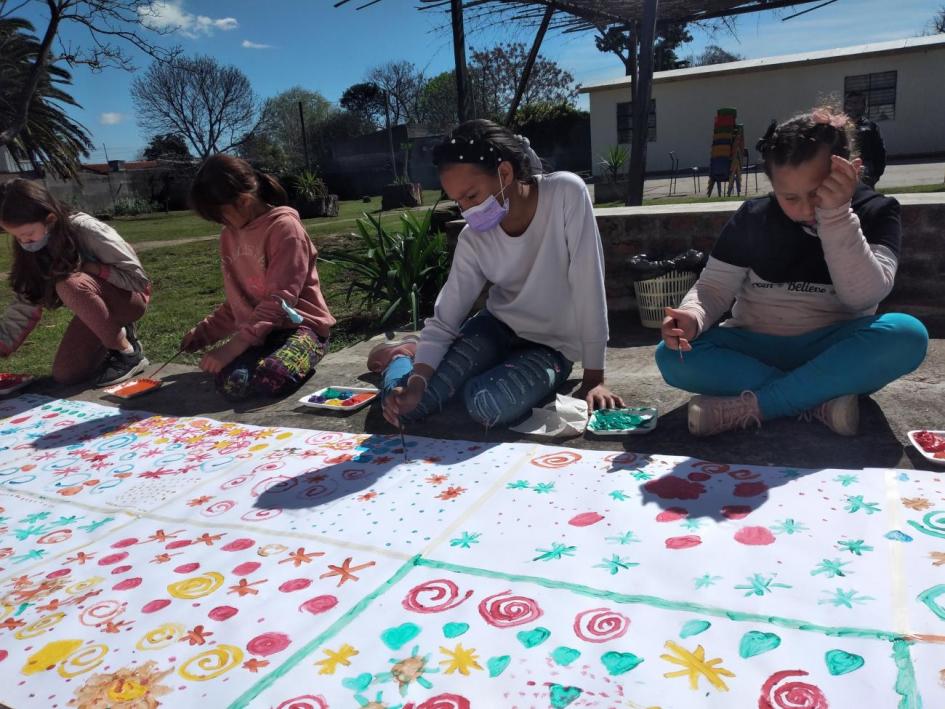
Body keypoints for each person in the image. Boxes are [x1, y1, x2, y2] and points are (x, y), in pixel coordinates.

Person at [655, 107, 928, 437]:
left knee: (908, 335)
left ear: (850, 172)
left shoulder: (877, 211)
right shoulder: (754, 217)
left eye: (816, 193)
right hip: (757, 346)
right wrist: (690, 317)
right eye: (789, 197)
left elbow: (863, 296)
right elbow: (712, 288)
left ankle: (758, 405)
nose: (804, 208)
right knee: (671, 356)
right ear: (773, 187)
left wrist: (837, 215)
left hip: (833, 349)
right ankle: (817, 401)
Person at [372, 119, 623, 430]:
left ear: (505, 173)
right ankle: (401, 360)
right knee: (408, 404)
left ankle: (443, 363)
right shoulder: (473, 237)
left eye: (472, 196)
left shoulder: (565, 195)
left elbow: (589, 286)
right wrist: (418, 380)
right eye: (458, 201)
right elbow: (447, 315)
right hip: (495, 329)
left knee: (487, 403)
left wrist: (595, 377)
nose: (466, 211)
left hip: (551, 347)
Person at [182, 155, 334, 400]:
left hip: (302, 328)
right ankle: (264, 360)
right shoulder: (229, 236)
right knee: (231, 383)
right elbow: (239, 300)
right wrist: (204, 333)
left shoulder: (284, 229)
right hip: (261, 335)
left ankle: (299, 357)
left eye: (222, 216)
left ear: (243, 201)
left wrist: (234, 347)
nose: (222, 224)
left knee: (270, 377)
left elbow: (280, 301)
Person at [0, 178, 150, 386]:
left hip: (130, 299)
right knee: (66, 374)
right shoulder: (31, 249)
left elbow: (138, 280)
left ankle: (128, 353)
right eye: (17, 237)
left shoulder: (86, 229)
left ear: (50, 219)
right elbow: (27, 299)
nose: (24, 243)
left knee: (68, 283)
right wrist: (2, 344)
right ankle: (117, 336)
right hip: (95, 311)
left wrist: (93, 269)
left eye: (28, 235)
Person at [846, 91, 886, 189]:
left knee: (864, 201)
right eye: (849, 103)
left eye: (856, 103)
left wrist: (876, 175)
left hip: (866, 172)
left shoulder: (871, 126)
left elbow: (880, 152)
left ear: (864, 106)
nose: (852, 106)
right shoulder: (840, 125)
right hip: (844, 169)